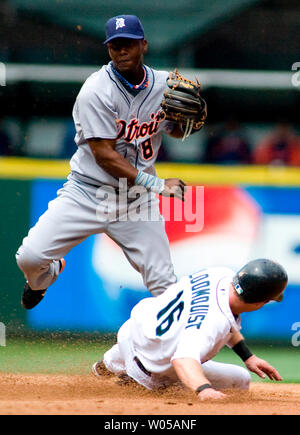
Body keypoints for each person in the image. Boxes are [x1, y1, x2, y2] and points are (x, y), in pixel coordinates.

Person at [16, 15, 205, 310]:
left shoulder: (165, 85)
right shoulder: (95, 91)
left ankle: (184, 354)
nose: (121, 50)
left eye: (128, 43)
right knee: (30, 258)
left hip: (134, 201)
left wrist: (190, 123)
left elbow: (176, 130)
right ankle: (44, 279)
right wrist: (158, 184)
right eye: (115, 45)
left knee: (165, 286)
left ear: (143, 44)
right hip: (87, 193)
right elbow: (104, 155)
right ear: (108, 50)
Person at [93, 258, 288, 401]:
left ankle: (111, 362)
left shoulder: (219, 273)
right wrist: (204, 389)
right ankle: (139, 382)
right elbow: (183, 360)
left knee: (161, 333)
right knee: (241, 380)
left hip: (134, 331)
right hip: (150, 368)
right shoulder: (213, 322)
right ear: (261, 302)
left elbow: (222, 320)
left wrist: (248, 357)